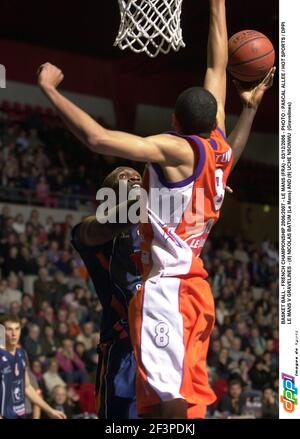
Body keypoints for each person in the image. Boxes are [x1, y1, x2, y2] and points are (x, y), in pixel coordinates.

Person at [37, 0, 275, 419]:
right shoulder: (218, 145)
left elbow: (97, 138)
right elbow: (217, 68)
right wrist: (218, 6)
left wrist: (50, 90)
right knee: (176, 407)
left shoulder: (177, 149)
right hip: (196, 287)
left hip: (169, 290)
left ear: (173, 121)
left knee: (172, 411)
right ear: (211, 118)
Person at [71, 166, 143, 419]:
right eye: (124, 176)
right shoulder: (94, 230)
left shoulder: (156, 226)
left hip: (161, 344)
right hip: (123, 346)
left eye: (138, 176)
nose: (135, 177)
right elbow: (110, 223)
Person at [0, 315, 66, 419]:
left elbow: (27, 387)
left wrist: (50, 410)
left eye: (17, 329)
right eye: (9, 329)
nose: (14, 334)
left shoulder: (21, 354)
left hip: (20, 414)